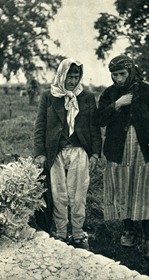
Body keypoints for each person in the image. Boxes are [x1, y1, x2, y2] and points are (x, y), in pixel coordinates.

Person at [94, 54, 149, 259]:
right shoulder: (109, 93)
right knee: (123, 188)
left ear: (131, 71)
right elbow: (98, 120)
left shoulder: (148, 90)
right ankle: (128, 230)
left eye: (122, 74)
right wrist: (117, 105)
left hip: (144, 148)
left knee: (145, 190)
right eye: (114, 75)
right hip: (118, 149)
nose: (118, 79)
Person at [34, 58, 102, 249]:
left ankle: (79, 233)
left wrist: (96, 153)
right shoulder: (49, 96)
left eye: (76, 76)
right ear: (62, 75)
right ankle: (62, 233)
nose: (72, 81)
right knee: (58, 193)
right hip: (55, 152)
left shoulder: (86, 97)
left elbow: (94, 127)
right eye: (69, 76)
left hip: (79, 150)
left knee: (78, 193)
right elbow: (40, 126)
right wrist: (40, 153)